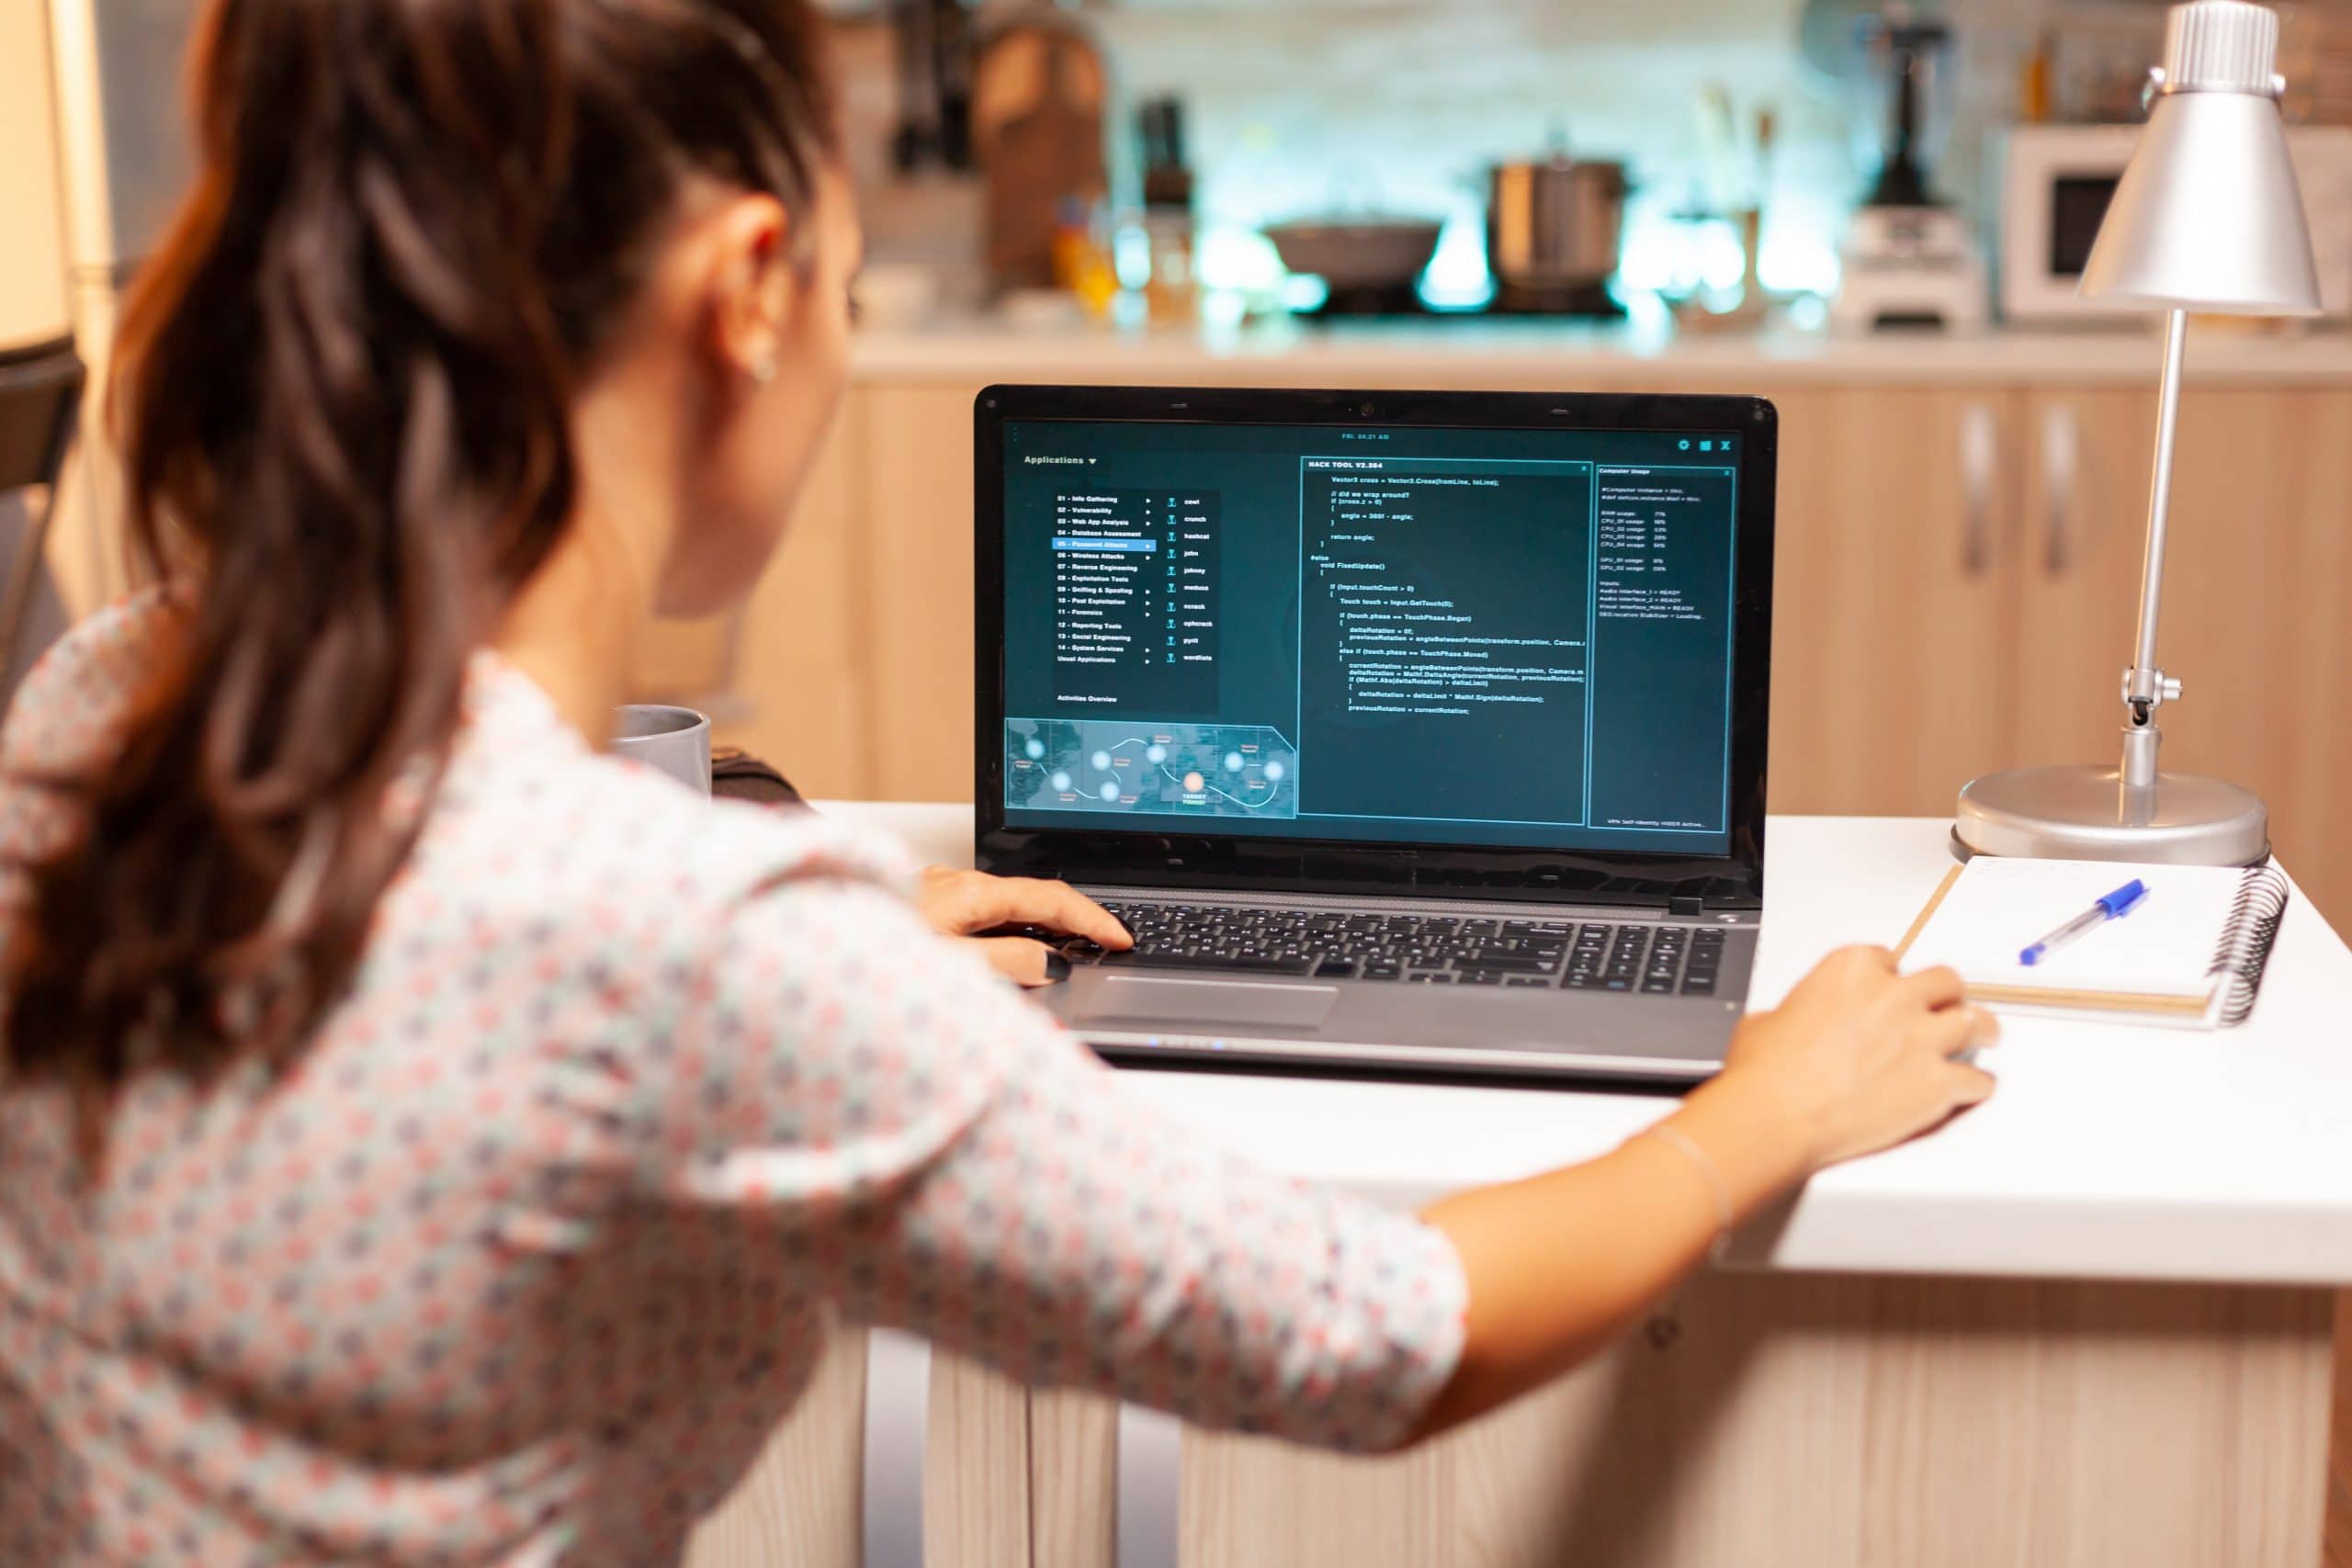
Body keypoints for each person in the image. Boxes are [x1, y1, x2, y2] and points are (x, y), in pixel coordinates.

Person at [0, 1, 1997, 1562]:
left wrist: (817, 903)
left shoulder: (94, 707)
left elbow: (465, 908)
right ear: (750, 283)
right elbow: (1379, 1332)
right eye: (853, 295)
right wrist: (1758, 1112)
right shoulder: (695, 958)